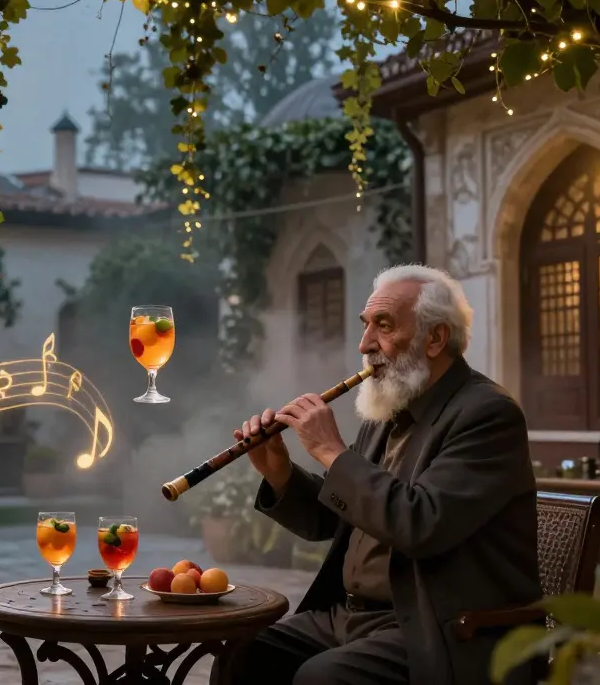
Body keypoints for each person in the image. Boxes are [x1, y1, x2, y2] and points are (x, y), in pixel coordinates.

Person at [230, 264, 540, 685]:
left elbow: (420, 524)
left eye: (384, 326)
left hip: (438, 627)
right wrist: (281, 473)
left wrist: (329, 450)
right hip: (352, 616)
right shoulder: (388, 407)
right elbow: (335, 519)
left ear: (435, 338)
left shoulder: (487, 415)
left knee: (323, 678)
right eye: (366, 325)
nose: (364, 344)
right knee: (244, 656)